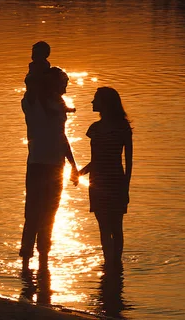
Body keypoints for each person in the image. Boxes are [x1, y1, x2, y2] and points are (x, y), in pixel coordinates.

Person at [20, 66, 79, 272]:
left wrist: (73, 165)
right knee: (33, 212)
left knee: (50, 213)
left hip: (56, 166)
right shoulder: (32, 102)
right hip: (37, 164)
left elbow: (62, 137)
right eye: (62, 82)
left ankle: (44, 256)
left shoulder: (58, 104)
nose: (65, 87)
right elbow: (31, 79)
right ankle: (26, 258)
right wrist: (41, 65)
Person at [79, 87, 133, 268]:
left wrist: (126, 187)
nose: (92, 103)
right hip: (97, 183)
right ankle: (109, 263)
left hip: (116, 182)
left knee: (116, 227)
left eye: (96, 99)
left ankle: (116, 265)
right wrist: (80, 173)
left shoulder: (123, 128)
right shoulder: (94, 129)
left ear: (106, 103)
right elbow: (96, 160)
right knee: (104, 227)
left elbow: (129, 161)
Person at [24, 41, 76, 116]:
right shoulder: (34, 65)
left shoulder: (43, 64)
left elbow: (42, 75)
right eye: (33, 52)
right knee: (42, 96)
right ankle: (48, 110)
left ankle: (56, 108)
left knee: (45, 96)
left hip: (39, 87)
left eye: (36, 53)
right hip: (35, 87)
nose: (33, 55)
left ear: (45, 54)